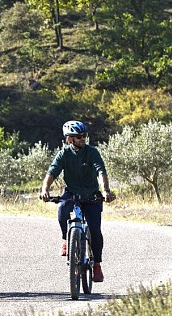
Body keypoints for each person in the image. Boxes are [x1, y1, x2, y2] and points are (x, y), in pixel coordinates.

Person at [39, 120, 116, 282]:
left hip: (92, 195)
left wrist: (106, 190)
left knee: (95, 230)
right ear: (69, 139)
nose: (83, 139)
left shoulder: (92, 152)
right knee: (62, 211)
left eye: (84, 135)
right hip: (71, 192)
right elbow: (52, 172)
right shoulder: (63, 154)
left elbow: (101, 171)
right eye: (78, 136)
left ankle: (97, 265)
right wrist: (45, 189)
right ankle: (66, 240)